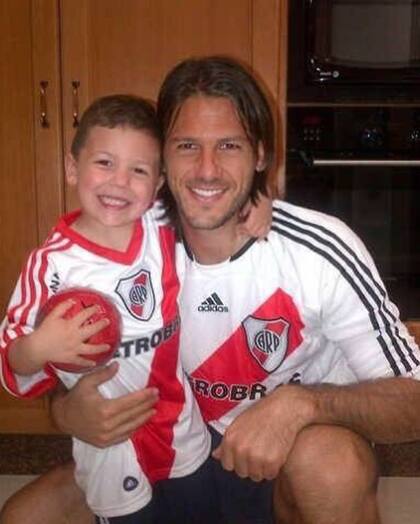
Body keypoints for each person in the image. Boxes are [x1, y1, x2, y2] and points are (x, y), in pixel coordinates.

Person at [2, 56, 420, 524]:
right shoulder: (133, 239)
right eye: (186, 146)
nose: (206, 170)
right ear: (162, 159)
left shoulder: (317, 249)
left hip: (279, 469)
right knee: (26, 515)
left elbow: (413, 399)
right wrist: (67, 413)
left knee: (332, 466)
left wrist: (300, 405)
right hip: (169, 451)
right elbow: (57, 352)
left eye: (228, 146)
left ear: (260, 154)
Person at [0, 94, 217, 523]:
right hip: (111, 450)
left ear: (157, 184)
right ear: (71, 168)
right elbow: (11, 364)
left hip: (183, 434)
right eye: (104, 163)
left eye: (138, 170)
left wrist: (257, 207)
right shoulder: (51, 266)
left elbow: (216, 207)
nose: (119, 182)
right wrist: (39, 346)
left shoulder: (161, 224)